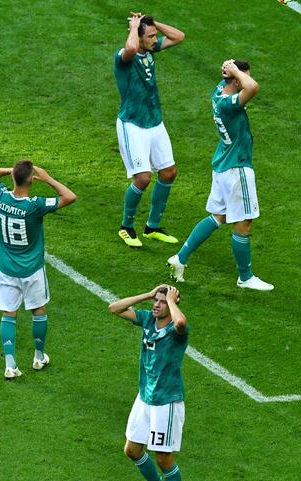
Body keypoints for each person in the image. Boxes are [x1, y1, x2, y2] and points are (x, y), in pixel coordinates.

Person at [168, 59, 274, 291]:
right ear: (235, 80)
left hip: (223, 164)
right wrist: (236, 71)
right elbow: (253, 87)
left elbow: (241, 83)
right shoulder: (229, 104)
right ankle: (245, 277)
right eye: (243, 77)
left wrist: (231, 69)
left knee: (219, 216)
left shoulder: (218, 92)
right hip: (237, 167)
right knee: (244, 223)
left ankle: (180, 258)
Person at [0, 160, 77, 379]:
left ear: (13, 178)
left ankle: (10, 364)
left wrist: (11, 171)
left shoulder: (1, 197)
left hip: (5, 268)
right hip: (31, 269)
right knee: (38, 310)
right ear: (31, 181)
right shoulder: (35, 206)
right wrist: (49, 179)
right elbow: (70, 197)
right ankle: (38, 356)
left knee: (9, 314)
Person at [114, 13, 185, 247]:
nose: (156, 39)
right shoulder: (124, 57)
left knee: (168, 173)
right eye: (151, 36)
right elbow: (131, 48)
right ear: (138, 37)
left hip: (155, 121)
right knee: (143, 178)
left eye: (156, 36)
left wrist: (153, 24)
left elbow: (179, 36)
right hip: (132, 124)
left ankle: (152, 227)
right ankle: (126, 227)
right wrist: (134, 28)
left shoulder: (150, 50)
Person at [109, 285, 188, 481]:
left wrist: (171, 300)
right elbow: (114, 308)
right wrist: (147, 294)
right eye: (156, 301)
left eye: (162, 302)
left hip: (166, 400)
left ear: (171, 304)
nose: (157, 305)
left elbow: (181, 321)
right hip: (145, 396)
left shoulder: (176, 332)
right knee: (132, 450)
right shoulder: (148, 320)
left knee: (163, 459)